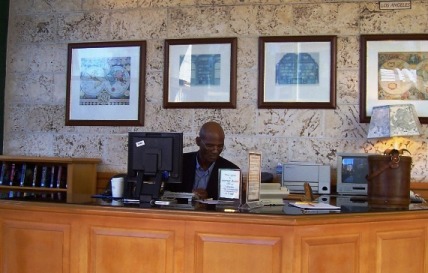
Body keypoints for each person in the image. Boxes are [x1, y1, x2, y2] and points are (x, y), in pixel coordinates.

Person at [166, 121, 239, 199]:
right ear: (198, 141)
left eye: (220, 146)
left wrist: (208, 199)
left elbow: (230, 202)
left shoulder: (230, 170)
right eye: (210, 145)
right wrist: (190, 195)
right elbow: (166, 193)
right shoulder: (179, 163)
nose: (215, 150)